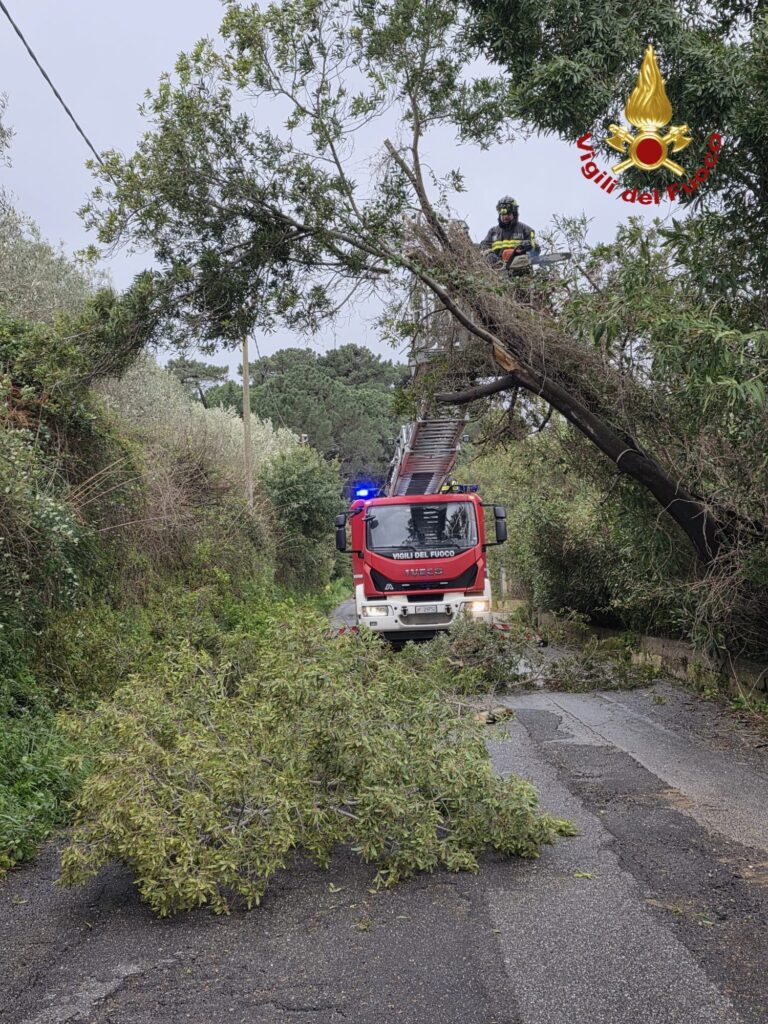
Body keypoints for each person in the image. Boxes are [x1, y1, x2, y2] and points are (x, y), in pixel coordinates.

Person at [480, 197, 539, 266]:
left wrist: (530, 246)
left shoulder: (526, 230)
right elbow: (484, 246)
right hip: (499, 269)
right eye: (503, 215)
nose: (505, 217)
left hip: (522, 269)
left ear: (514, 214)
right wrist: (489, 254)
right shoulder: (493, 232)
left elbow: (537, 251)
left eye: (508, 214)